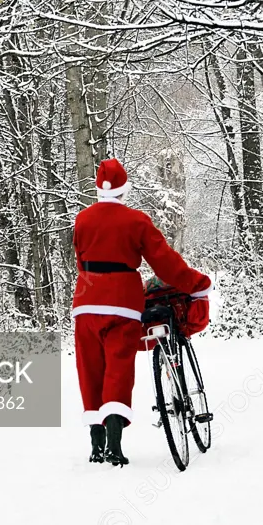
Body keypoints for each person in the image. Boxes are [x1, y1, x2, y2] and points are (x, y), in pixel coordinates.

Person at [72, 157, 212, 466]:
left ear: (98, 189)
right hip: (121, 303)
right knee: (118, 369)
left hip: (84, 303)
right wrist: (196, 284)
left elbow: (80, 260)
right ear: (124, 190)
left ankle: (95, 444)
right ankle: (114, 444)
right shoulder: (136, 221)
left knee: (90, 369)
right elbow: (164, 262)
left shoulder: (82, 220)